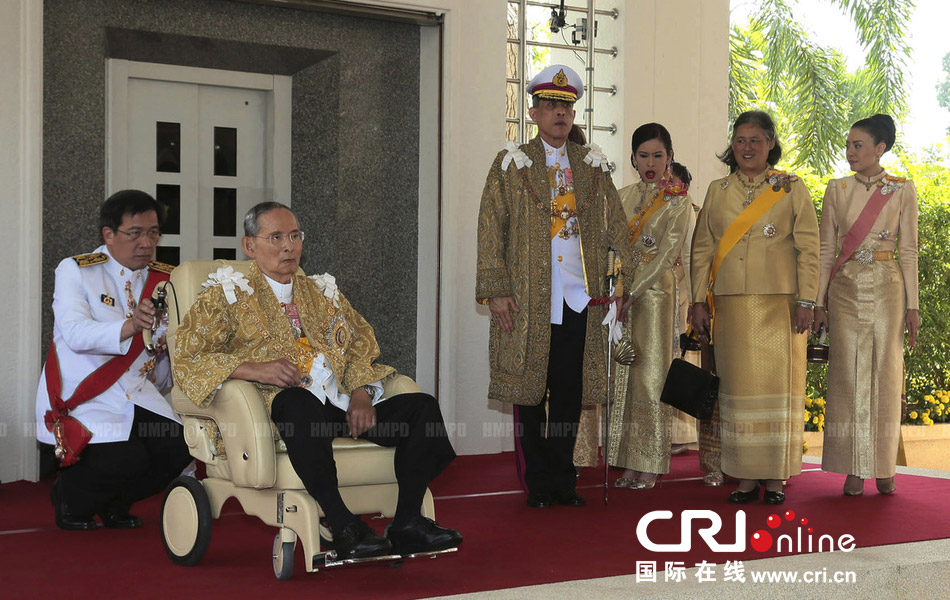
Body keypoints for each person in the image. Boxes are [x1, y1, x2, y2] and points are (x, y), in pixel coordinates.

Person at [173, 202, 461, 560]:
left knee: (422, 408)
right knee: (296, 402)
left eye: (294, 236)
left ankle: (407, 523)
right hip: (279, 413)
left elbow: (360, 347)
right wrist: (251, 369)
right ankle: (342, 524)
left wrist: (361, 394)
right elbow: (188, 357)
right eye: (275, 237)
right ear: (250, 246)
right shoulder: (225, 295)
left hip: (339, 405)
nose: (288, 246)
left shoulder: (323, 293)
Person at [476, 64, 633, 508]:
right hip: (527, 299)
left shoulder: (593, 165)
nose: (559, 114)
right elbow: (491, 229)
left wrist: (620, 283)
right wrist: (496, 290)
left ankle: (563, 480)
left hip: (577, 296)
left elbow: (618, 229)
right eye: (550, 106)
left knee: (568, 393)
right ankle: (538, 483)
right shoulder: (511, 164)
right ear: (534, 112)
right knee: (529, 393)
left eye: (566, 106)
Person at [35, 189, 191, 530]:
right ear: (109, 234)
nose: (146, 243)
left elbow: (161, 360)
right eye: (134, 234)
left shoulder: (166, 279)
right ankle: (69, 503)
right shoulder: (77, 271)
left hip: (136, 390)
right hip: (85, 390)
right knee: (124, 455)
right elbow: (76, 333)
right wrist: (130, 325)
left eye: (153, 233)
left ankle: (113, 504)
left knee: (177, 450)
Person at [690, 110, 819, 505]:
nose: (747, 147)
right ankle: (745, 477)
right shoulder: (718, 189)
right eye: (741, 140)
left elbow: (809, 247)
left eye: (756, 140)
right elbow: (702, 249)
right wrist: (698, 300)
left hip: (780, 304)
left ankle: (776, 476)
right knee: (737, 392)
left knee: (777, 392)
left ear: (770, 145)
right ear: (733, 145)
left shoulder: (791, 187)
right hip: (729, 304)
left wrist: (807, 300)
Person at [814, 114, 920, 496]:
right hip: (843, 289)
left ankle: (883, 465)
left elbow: (908, 250)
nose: (850, 152)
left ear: (880, 148)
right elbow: (827, 249)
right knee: (846, 375)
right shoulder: (837, 189)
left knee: (886, 374)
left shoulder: (902, 189)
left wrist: (914, 306)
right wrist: (818, 299)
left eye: (858, 145)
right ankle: (852, 467)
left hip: (889, 288)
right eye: (848, 145)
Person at [608, 124, 694, 490]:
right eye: (643, 155)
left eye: (658, 155)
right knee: (624, 376)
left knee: (651, 377)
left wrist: (633, 290)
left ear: (670, 158)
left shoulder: (678, 202)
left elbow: (666, 255)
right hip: (620, 298)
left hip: (656, 296)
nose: (651, 163)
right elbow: (610, 247)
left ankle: (651, 462)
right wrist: (615, 289)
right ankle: (628, 461)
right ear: (632, 157)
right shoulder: (622, 196)